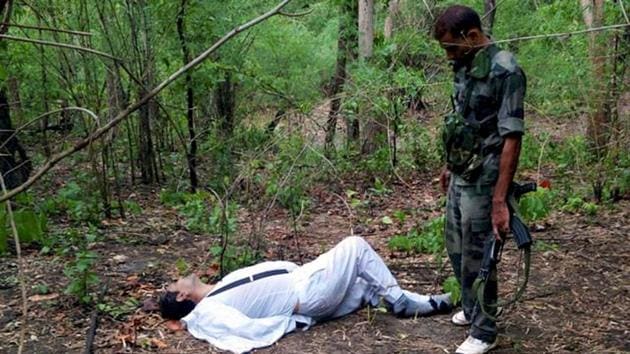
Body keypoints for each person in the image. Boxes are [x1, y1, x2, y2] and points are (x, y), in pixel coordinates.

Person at [159, 236, 452, 353]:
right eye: (175, 285)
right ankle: (400, 301)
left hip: (305, 280)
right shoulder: (207, 312)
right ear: (183, 297)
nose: (178, 279)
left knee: (364, 284)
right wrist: (295, 322)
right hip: (306, 292)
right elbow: (243, 331)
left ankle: (425, 302)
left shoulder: (218, 288)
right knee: (355, 246)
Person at [433, 5, 526, 354]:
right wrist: (448, 165)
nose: (448, 56)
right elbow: (462, 120)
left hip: (487, 177)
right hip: (462, 171)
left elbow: (512, 138)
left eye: (451, 48)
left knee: (478, 251)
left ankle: (485, 330)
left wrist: (500, 200)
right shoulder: (465, 64)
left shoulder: (506, 70)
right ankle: (472, 310)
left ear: (471, 36)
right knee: (456, 246)